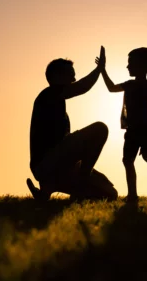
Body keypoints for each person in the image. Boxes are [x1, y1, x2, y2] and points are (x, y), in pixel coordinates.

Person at [27, 47, 118, 201]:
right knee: (100, 129)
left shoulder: (60, 108)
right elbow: (82, 86)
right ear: (57, 76)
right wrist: (99, 69)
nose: (74, 80)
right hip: (46, 164)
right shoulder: (47, 95)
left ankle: (48, 189)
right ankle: (79, 183)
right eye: (71, 75)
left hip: (60, 166)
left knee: (110, 193)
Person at [98, 46, 147, 203]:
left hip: (142, 128)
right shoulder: (132, 85)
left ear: (141, 65)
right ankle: (139, 193)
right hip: (136, 128)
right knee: (134, 159)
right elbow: (111, 88)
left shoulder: (146, 86)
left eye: (131, 63)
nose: (127, 66)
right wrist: (102, 70)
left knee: (138, 158)